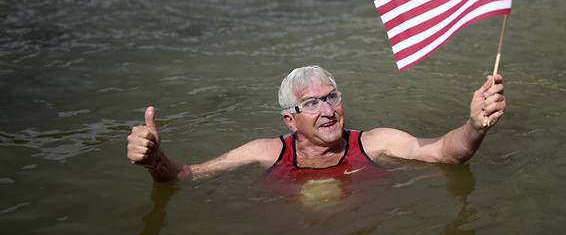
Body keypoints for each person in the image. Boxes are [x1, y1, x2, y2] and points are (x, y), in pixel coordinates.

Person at [126, 66, 505, 183]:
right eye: (312, 103)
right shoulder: (265, 152)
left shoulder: (374, 143)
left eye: (332, 97)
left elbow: (445, 154)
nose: (328, 110)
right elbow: (186, 176)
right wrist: (154, 159)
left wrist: (475, 125)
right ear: (290, 120)